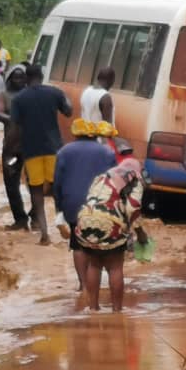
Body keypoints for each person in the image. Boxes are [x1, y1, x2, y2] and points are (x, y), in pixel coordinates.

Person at [8, 63, 73, 244]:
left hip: (31, 151)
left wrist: (11, 152)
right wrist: (66, 98)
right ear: (42, 76)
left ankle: (44, 234)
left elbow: (14, 130)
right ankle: (61, 220)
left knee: (36, 192)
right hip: (54, 149)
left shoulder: (19, 99)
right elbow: (68, 111)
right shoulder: (54, 93)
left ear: (27, 79)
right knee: (57, 189)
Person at [75, 157, 149, 312]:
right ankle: (117, 311)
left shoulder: (102, 177)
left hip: (85, 220)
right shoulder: (134, 179)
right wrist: (141, 235)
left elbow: (91, 198)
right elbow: (132, 209)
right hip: (109, 221)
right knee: (115, 267)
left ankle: (93, 309)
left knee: (94, 264)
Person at [53, 119, 116, 290]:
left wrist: (59, 208)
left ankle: (83, 285)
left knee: (78, 244)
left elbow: (57, 183)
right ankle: (98, 282)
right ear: (95, 134)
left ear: (75, 133)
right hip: (101, 204)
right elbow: (115, 181)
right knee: (100, 244)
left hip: (74, 205)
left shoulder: (64, 152)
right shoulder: (108, 152)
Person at [0, 64, 29, 230]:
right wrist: (14, 119)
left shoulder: (31, 95)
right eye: (16, 77)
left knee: (35, 181)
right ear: (9, 79)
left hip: (31, 146)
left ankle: (36, 216)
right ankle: (20, 218)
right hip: (12, 147)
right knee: (11, 182)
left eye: (22, 77)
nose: (19, 80)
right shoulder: (3, 95)